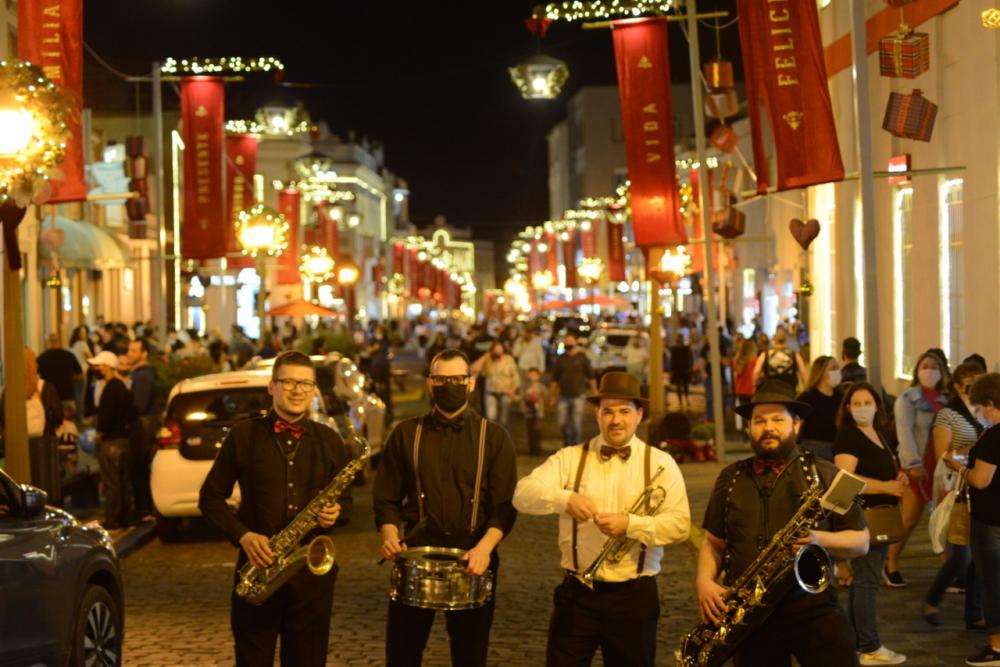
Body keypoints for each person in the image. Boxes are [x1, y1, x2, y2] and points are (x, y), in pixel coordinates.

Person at [513, 371, 690, 666]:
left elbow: (680, 525)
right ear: (597, 415)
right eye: (608, 411)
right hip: (577, 594)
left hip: (634, 596)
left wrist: (631, 524)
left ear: (639, 415)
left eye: (624, 411)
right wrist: (564, 499)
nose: (615, 420)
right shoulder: (570, 457)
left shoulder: (661, 463)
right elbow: (522, 493)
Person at [695, 379, 869, 666]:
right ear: (749, 427)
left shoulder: (828, 473)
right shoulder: (729, 478)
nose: (768, 427)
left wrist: (819, 539)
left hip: (814, 610)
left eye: (778, 419)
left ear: (796, 424)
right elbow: (713, 543)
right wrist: (704, 581)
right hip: (752, 618)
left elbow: (861, 542)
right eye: (759, 421)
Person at [199, 351, 352, 666]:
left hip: (311, 578)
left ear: (314, 390)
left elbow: (346, 503)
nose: (297, 390)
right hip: (258, 572)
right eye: (289, 382)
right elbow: (210, 498)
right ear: (272, 387)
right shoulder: (244, 435)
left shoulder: (329, 440)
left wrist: (336, 512)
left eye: (305, 384)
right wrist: (243, 536)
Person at [373, 348, 518, 667]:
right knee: (402, 653)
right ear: (430, 384)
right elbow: (386, 498)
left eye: (456, 379)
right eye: (441, 379)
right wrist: (389, 535)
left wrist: (484, 549)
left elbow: (505, 506)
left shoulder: (494, 438)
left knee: (470, 655)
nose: (448, 385)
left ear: (471, 383)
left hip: (472, 556)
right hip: (415, 553)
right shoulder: (405, 434)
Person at [833, 382, 908, 665]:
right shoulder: (848, 436)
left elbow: (882, 466)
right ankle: (870, 646)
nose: (862, 408)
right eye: (856, 403)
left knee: (864, 581)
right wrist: (885, 487)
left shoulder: (880, 433)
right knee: (867, 582)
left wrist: (897, 478)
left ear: (877, 405)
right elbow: (845, 480)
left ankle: (857, 642)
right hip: (863, 516)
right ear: (847, 408)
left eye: (867, 402)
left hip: (880, 515)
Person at [927, 362, 985, 630]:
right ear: (958, 385)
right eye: (970, 383)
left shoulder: (985, 411)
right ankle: (932, 599)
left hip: (981, 487)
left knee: (978, 553)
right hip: (957, 488)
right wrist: (978, 449)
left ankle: (974, 613)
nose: (974, 388)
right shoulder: (947, 415)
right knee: (963, 554)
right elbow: (943, 455)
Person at [886, 350, 949, 587]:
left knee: (943, 519)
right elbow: (904, 432)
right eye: (925, 366)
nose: (929, 370)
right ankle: (890, 563)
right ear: (917, 370)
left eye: (934, 366)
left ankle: (949, 569)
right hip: (917, 465)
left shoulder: (946, 398)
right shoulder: (908, 398)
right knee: (910, 519)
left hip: (941, 467)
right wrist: (912, 464)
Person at [960, 373, 1000, 666]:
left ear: (990, 403)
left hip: (991, 519)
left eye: (978, 407)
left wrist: (960, 469)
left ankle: (996, 646)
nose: (978, 413)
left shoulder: (994, 436)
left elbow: (981, 480)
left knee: (993, 582)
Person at [89, 350, 134, 529]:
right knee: (123, 481)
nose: (96, 369)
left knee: (112, 482)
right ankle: (126, 517)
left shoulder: (111, 388)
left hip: (111, 441)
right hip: (122, 439)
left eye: (99, 366)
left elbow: (106, 417)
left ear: (107, 367)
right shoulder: (121, 387)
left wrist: (100, 433)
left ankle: (113, 519)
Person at [126, 338, 158, 519]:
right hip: (142, 426)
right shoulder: (140, 374)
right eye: (129, 350)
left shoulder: (142, 377)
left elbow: (139, 405)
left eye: (134, 351)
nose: (129, 354)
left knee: (140, 468)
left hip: (142, 428)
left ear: (144, 354)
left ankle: (143, 508)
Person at [549, 333, 597, 446]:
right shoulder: (560, 359)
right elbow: (554, 380)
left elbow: (591, 377)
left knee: (576, 423)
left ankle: (575, 444)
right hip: (563, 396)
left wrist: (594, 394)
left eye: (570, 340)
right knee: (562, 423)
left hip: (578, 395)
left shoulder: (582, 357)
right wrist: (552, 396)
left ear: (575, 342)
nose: (568, 343)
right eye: (566, 341)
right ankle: (566, 442)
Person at [796, 356, 843, 462]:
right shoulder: (807, 397)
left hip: (836, 447)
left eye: (838, 368)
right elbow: (798, 424)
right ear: (821, 372)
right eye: (833, 368)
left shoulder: (840, 396)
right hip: (813, 448)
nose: (837, 372)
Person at [471, 341, 520, 428]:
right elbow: (473, 369)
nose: (499, 352)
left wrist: (512, 390)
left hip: (506, 393)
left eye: (500, 350)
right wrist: (485, 356)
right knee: (491, 418)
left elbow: (516, 377)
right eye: (496, 350)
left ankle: (502, 434)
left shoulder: (509, 360)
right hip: (491, 393)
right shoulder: (488, 360)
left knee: (504, 420)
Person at [36, 333, 83, 409]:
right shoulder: (69, 356)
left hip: (49, 399)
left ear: (47, 343)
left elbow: (36, 378)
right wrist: (70, 378)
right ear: (59, 342)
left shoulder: (41, 358)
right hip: (67, 396)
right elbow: (80, 376)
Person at [522, 367, 547, 456]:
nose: (532, 376)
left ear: (539, 376)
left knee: (537, 430)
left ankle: (538, 448)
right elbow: (522, 397)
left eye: (535, 374)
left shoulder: (541, 386)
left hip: (539, 412)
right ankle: (531, 449)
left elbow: (546, 396)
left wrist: (539, 397)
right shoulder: (525, 387)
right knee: (530, 431)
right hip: (528, 412)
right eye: (530, 374)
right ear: (527, 375)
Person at [669, 334, 693, 408]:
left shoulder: (683, 349)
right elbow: (673, 360)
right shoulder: (679, 349)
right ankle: (683, 401)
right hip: (680, 370)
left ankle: (683, 401)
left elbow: (672, 360)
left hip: (681, 370)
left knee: (682, 386)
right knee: (682, 386)